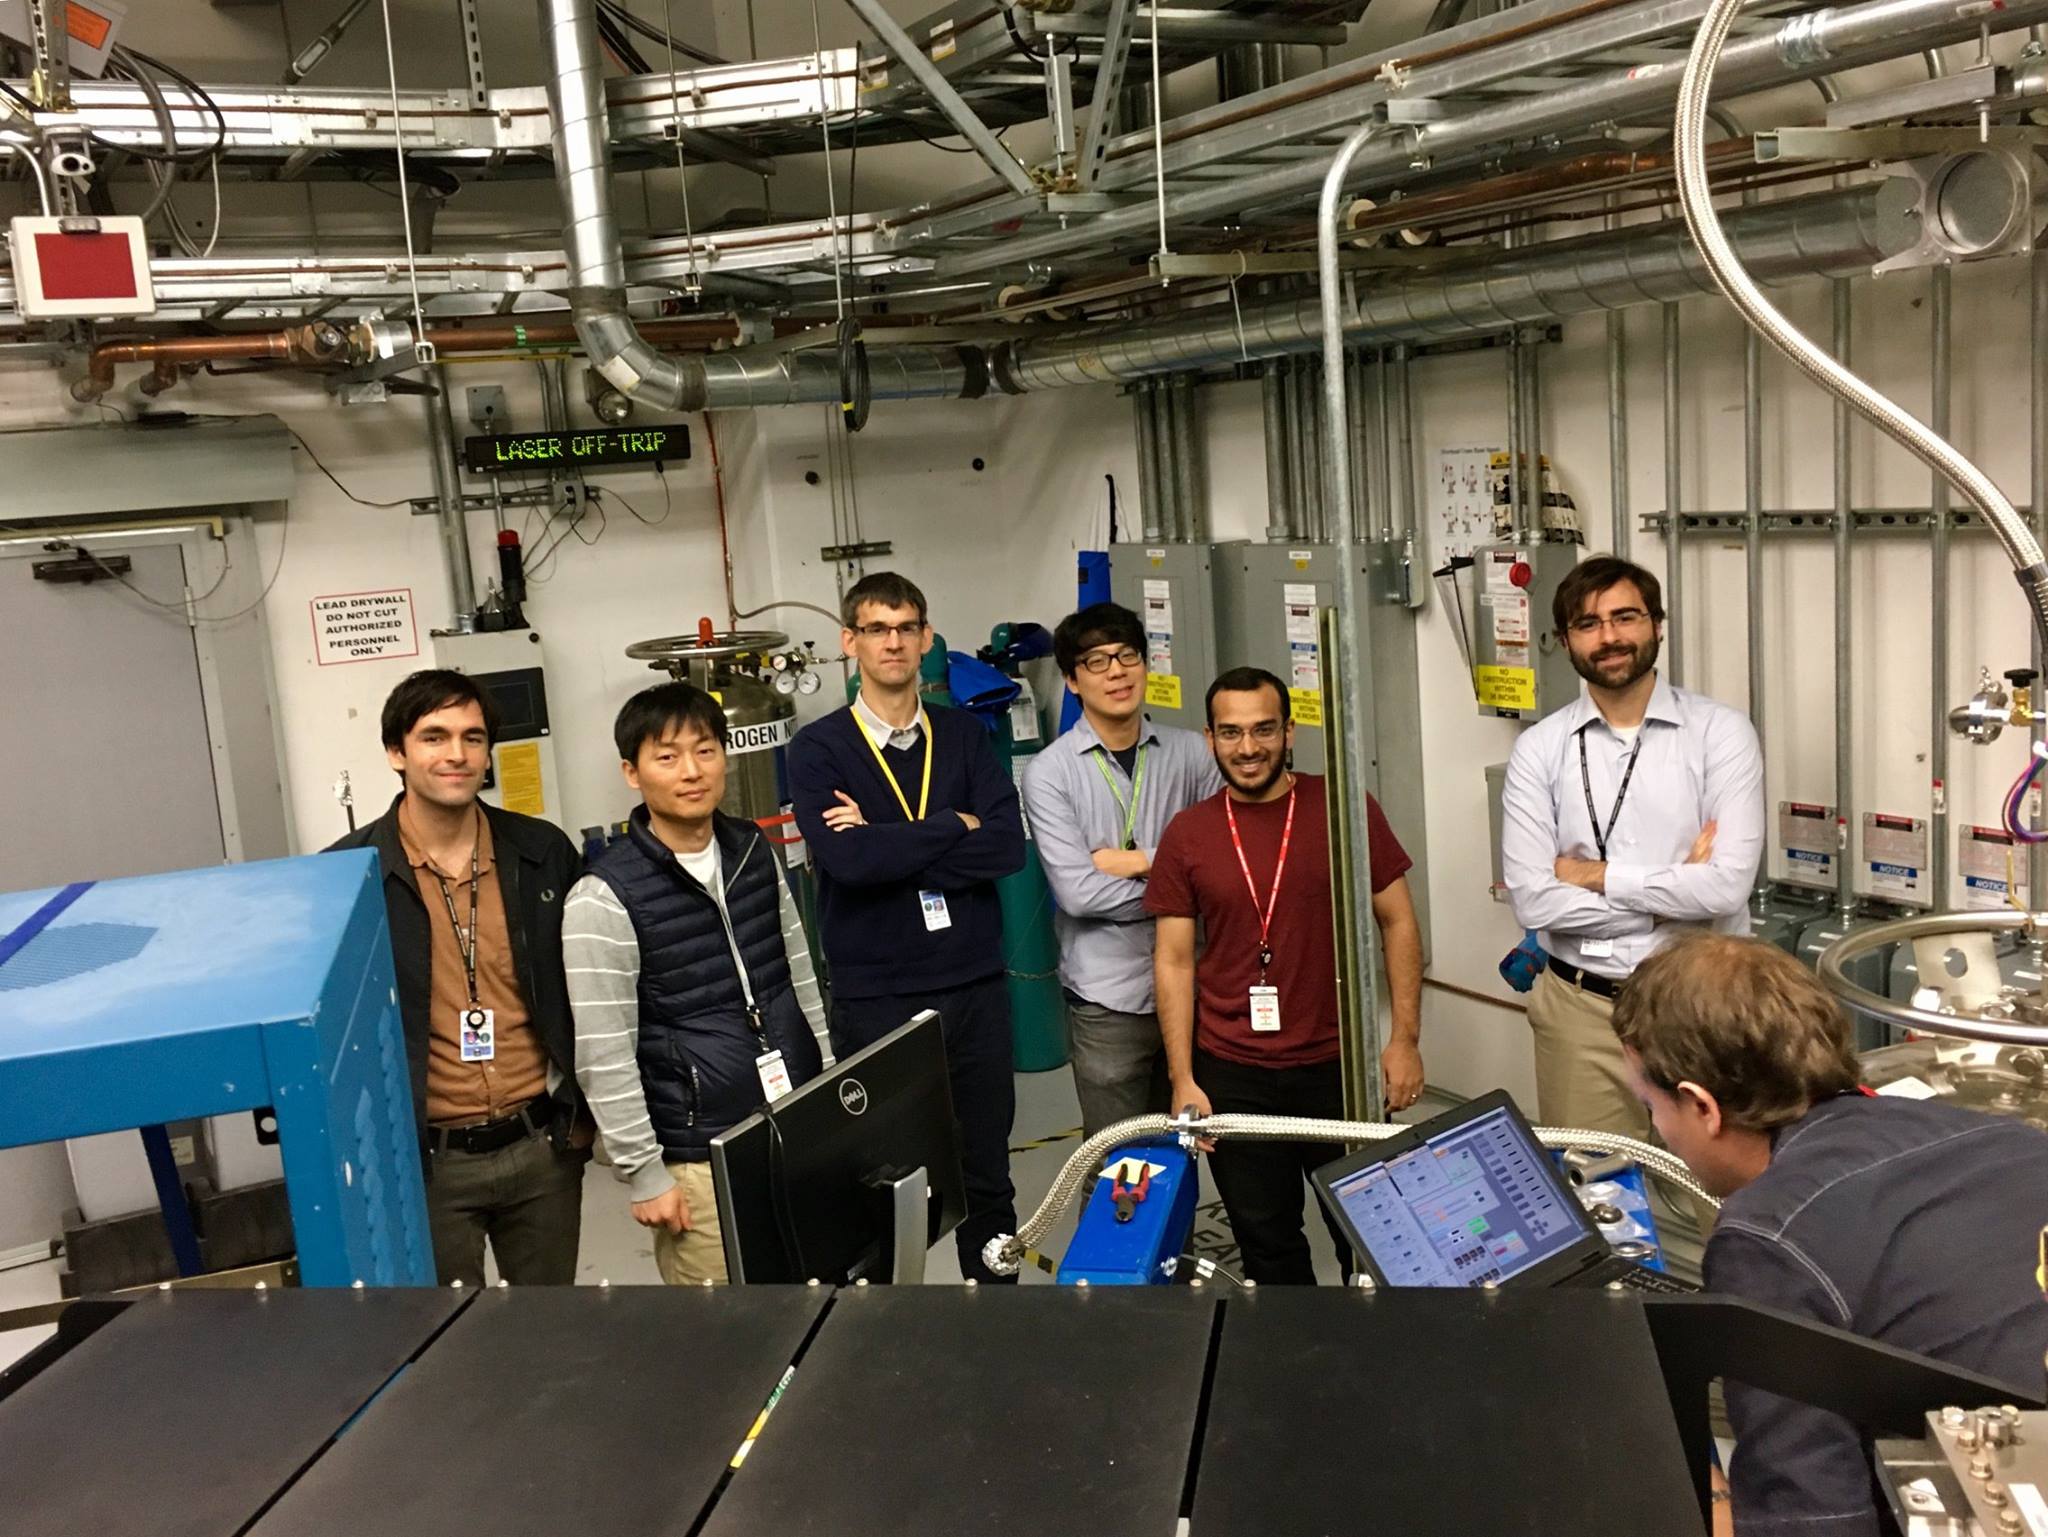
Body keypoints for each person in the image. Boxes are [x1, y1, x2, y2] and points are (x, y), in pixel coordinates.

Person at [1614, 933, 2048, 1536]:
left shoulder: (1767, 1240)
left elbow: (1813, 1521)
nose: (1657, 1128)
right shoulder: (2002, 1137)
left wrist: (1706, 1500)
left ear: (1701, 1106)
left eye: (1650, 1105)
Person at [1147, 667, 1426, 1285]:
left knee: (1372, 1238)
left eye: (1264, 730)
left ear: (1289, 732)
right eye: (1231, 733)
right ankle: (1296, 1372)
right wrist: (1183, 1078)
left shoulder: (1344, 809)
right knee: (1268, 1245)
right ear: (1210, 738)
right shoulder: (1189, 834)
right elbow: (1173, 960)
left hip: (1339, 1070)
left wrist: (1404, 1039)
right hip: (1233, 1077)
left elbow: (1399, 923)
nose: (1248, 749)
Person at [787, 571, 1028, 1283]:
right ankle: (886, 1344)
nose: (892, 641)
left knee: (988, 1174)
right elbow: (846, 860)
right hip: (879, 998)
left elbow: (1006, 846)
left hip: (977, 989)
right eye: (875, 628)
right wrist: (954, 825)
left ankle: (1000, 1318)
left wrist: (889, 837)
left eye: (905, 627)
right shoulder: (819, 749)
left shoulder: (962, 733)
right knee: (884, 1183)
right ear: (849, 641)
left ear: (926, 639)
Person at [326, 669, 586, 1286]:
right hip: (427, 1164)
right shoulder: (348, 877)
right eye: (433, 737)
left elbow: (586, 991)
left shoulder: (541, 851)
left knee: (557, 1337)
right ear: (397, 752)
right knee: (450, 1346)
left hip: (541, 1148)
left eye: (473, 738)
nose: (456, 754)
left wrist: (581, 1114)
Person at [563, 682, 829, 1285]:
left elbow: (798, 973)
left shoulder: (751, 852)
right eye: (667, 756)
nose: (691, 771)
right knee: (730, 1343)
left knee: (814, 1300)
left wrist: (827, 1079)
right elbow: (603, 1052)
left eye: (706, 751)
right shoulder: (604, 895)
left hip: (793, 1123)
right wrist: (645, 1174)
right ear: (632, 773)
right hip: (697, 1159)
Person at [1500, 555, 1763, 1138]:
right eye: (1588, 624)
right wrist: (1676, 894)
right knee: (1597, 1194)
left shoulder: (1722, 734)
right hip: (1582, 1012)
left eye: (1626, 617)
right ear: (1564, 641)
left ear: (1657, 625)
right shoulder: (1539, 751)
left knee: (1728, 1199)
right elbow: (1535, 905)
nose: (1610, 637)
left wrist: (1594, 875)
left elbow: (1725, 887)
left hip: (1703, 1004)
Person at [1019, 603, 1221, 1138]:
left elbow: (1223, 860)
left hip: (1200, 986)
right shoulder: (1049, 774)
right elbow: (1079, 894)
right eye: (1096, 661)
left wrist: (1143, 861)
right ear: (1072, 680)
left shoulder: (1193, 755)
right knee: (1119, 1172)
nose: (1116, 671)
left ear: (1145, 665)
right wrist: (1184, 885)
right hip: (1110, 999)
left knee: (1194, 1156)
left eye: (1127, 655)